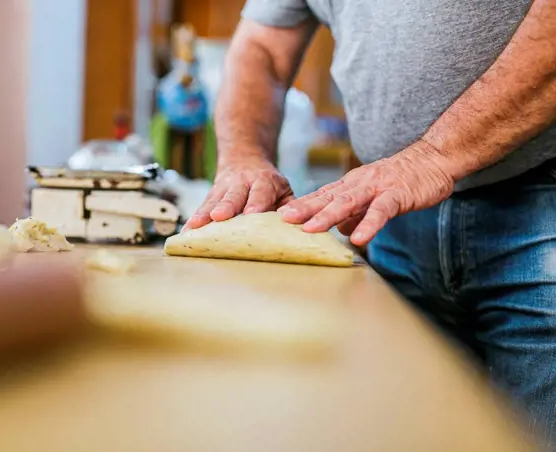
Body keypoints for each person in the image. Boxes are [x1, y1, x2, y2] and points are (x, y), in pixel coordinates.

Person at [184, 0, 556, 447]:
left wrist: (434, 156)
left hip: (541, 203)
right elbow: (262, 44)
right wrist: (243, 156)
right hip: (392, 223)